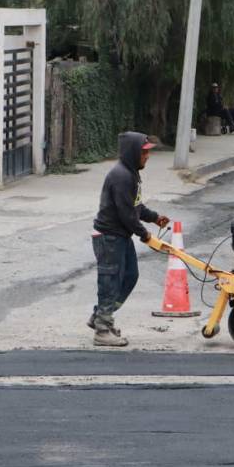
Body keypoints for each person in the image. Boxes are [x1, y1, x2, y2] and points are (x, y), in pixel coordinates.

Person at [88, 131, 170, 346]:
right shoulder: (122, 176)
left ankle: (100, 316)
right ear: (133, 152)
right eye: (144, 153)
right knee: (110, 281)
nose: (147, 157)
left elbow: (136, 207)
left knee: (130, 276)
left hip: (120, 235)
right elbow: (126, 214)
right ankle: (102, 329)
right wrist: (144, 234)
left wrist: (154, 218)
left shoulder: (131, 173)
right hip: (109, 236)